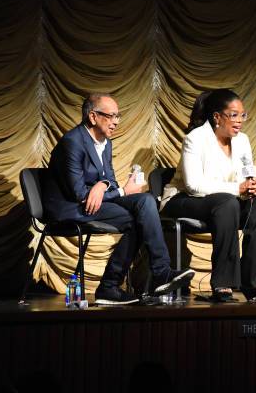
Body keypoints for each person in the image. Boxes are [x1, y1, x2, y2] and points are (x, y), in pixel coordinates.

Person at [43, 93, 194, 305]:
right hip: (70, 208)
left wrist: (102, 184)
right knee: (140, 219)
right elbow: (79, 195)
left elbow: (110, 181)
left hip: (95, 201)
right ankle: (110, 286)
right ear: (93, 117)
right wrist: (122, 191)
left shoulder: (106, 142)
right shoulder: (72, 143)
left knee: (145, 201)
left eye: (118, 116)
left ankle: (160, 271)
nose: (115, 121)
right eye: (111, 116)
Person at [162, 89, 256, 301]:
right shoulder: (195, 139)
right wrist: (237, 189)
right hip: (182, 200)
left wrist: (252, 184)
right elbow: (194, 185)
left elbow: (246, 172)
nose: (240, 120)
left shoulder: (242, 140)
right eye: (233, 115)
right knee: (227, 202)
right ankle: (223, 282)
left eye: (243, 115)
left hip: (224, 203)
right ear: (217, 117)